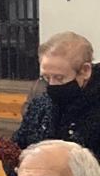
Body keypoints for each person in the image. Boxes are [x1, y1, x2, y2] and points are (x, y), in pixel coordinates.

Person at [6, 32, 100, 160]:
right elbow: (19, 144)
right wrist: (9, 156)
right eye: (46, 77)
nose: (52, 84)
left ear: (85, 71)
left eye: (59, 78)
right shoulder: (41, 105)